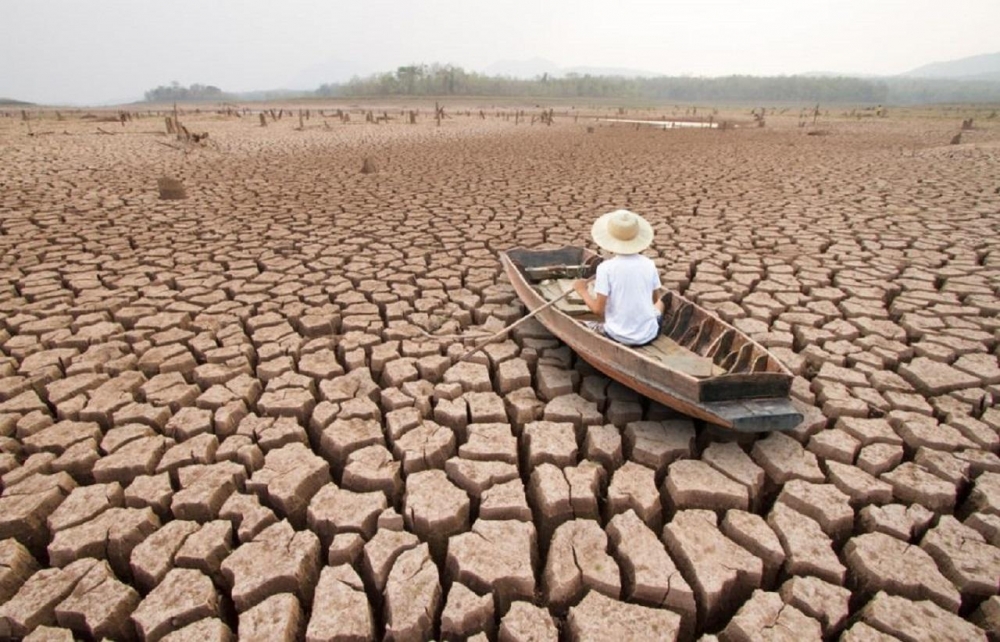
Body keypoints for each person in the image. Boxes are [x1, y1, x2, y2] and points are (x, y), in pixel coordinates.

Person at [573, 209, 664, 346]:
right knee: (661, 304)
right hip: (649, 334)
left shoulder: (606, 268)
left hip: (617, 336)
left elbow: (598, 310)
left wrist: (582, 291)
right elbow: (655, 299)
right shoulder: (649, 264)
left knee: (587, 321)